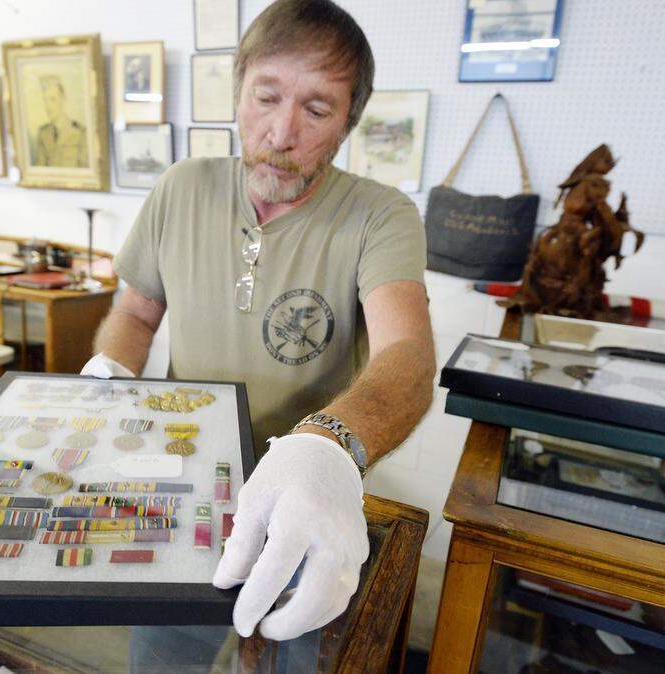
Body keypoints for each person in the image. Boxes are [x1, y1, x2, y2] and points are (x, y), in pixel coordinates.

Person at [82, 0, 435, 647]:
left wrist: (328, 445)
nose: (280, 132)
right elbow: (135, 312)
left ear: (348, 121)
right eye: (266, 97)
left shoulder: (380, 215)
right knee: (165, 652)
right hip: (178, 488)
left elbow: (407, 353)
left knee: (290, 649)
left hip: (304, 499)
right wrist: (110, 371)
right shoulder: (181, 187)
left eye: (317, 110)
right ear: (237, 89)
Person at [34, 75, 88, 168]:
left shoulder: (80, 132)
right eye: (45, 100)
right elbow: (40, 168)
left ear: (63, 99)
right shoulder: (43, 133)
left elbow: (86, 167)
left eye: (52, 99)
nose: (48, 106)